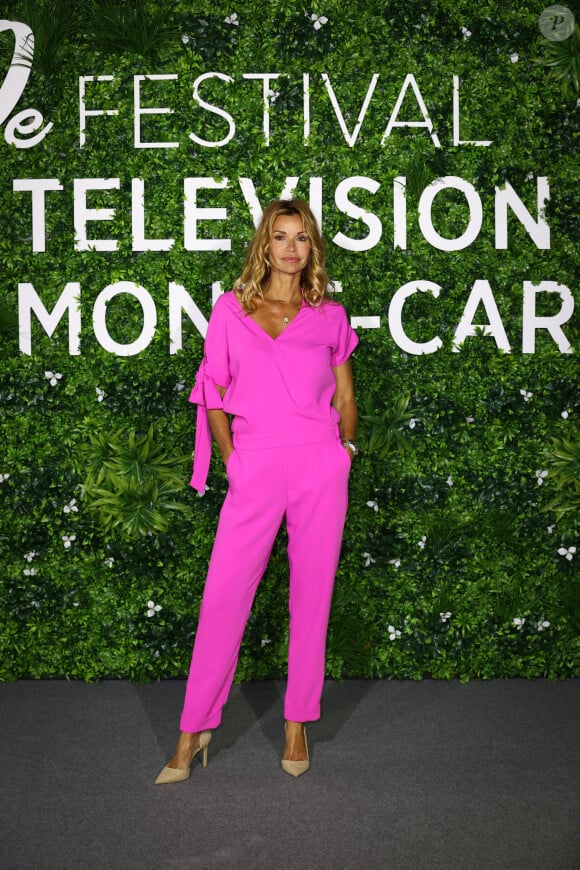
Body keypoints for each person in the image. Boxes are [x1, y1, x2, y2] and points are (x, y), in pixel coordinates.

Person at [156, 198, 359, 784]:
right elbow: (212, 389)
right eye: (280, 236)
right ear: (264, 246)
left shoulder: (330, 316)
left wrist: (343, 452)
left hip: (320, 464)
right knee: (223, 597)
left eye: (301, 237)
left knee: (312, 598)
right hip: (256, 465)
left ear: (311, 248)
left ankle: (298, 724)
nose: (290, 247)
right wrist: (230, 459)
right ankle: (193, 729)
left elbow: (346, 399)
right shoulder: (231, 310)